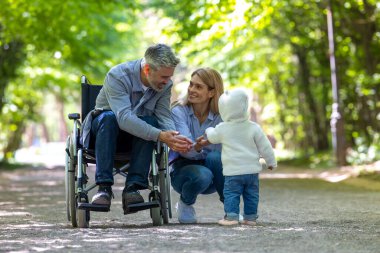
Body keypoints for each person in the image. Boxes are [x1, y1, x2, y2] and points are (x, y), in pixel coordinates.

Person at [81, 43, 193, 213]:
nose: (167, 81)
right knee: (110, 117)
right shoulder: (118, 75)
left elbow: (163, 115)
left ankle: (133, 188)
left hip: (138, 139)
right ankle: (103, 188)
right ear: (147, 69)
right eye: (164, 77)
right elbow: (124, 118)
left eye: (169, 77)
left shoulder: (165, 86)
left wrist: (173, 135)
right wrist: (160, 135)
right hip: (105, 133)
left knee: (150, 121)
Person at [204, 88, 277, 226]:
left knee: (232, 194)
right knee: (251, 195)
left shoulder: (223, 128)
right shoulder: (253, 127)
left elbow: (212, 138)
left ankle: (231, 217)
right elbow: (265, 146)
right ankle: (250, 218)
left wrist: (208, 130)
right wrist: (271, 162)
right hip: (252, 172)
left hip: (233, 172)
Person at [170, 67, 225, 223]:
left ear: (212, 93)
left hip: (215, 172)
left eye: (198, 87)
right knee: (203, 174)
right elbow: (185, 148)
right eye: (191, 84)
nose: (192, 90)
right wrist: (199, 147)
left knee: (216, 157)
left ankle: (231, 209)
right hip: (184, 170)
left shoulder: (222, 116)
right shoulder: (179, 111)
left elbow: (224, 149)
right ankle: (185, 203)